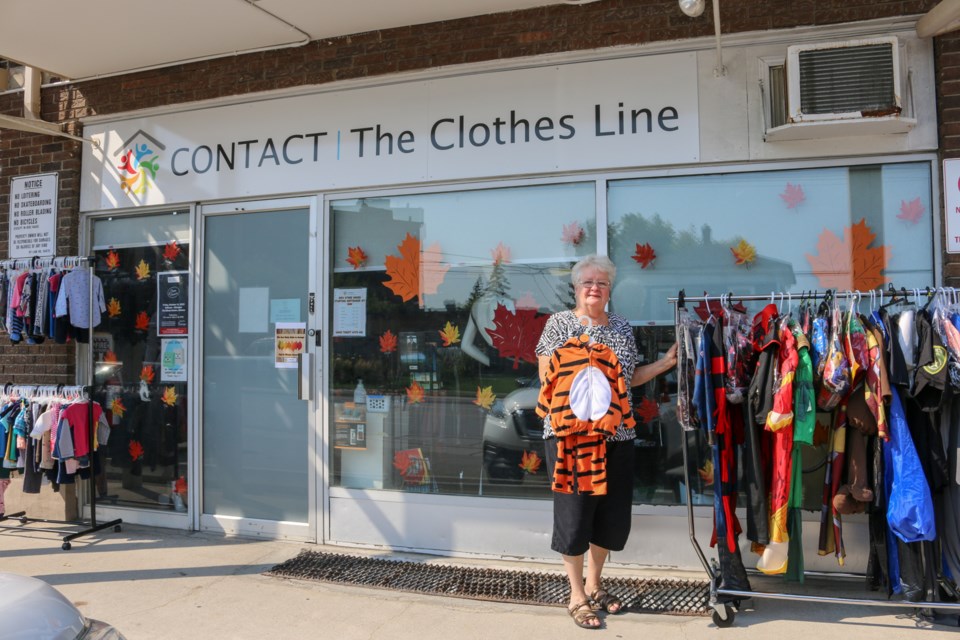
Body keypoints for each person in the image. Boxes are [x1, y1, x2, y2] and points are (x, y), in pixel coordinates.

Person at [535, 255, 677, 629]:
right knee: (575, 513)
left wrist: (663, 365)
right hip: (570, 438)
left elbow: (628, 378)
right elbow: (545, 376)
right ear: (576, 287)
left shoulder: (621, 327)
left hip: (618, 434)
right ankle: (576, 594)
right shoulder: (558, 325)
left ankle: (595, 584)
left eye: (601, 283)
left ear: (609, 290)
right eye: (587, 282)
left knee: (611, 515)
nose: (594, 288)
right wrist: (584, 360)